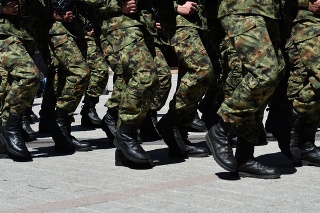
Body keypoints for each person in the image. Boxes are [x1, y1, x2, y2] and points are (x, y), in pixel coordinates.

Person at [205, 0, 290, 179]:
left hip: (269, 10)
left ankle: (245, 155)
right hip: (242, 8)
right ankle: (222, 128)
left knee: (272, 73)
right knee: (264, 72)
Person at [84, 0, 159, 165]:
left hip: (141, 22)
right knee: (145, 75)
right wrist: (117, 5)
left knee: (132, 80)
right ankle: (125, 134)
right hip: (117, 22)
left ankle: (124, 149)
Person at [155, 0, 212, 158]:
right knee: (202, 70)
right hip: (180, 20)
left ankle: (180, 133)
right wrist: (175, 7)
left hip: (199, 21)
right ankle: (171, 121)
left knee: (189, 76)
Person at [34, 2, 92, 152]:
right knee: (80, 72)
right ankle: (60, 121)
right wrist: (50, 11)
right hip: (52, 26)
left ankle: (54, 124)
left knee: (60, 75)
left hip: (73, 26)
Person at [272, 0, 320, 166]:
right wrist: (305, 3)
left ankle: (306, 142)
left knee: (310, 80)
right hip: (305, 23)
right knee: (310, 77)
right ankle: (289, 122)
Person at [0, 0, 40, 160]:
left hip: (23, 30)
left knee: (6, 83)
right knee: (28, 74)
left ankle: (4, 141)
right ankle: (9, 126)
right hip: (3, 31)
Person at [80, 19, 110, 129]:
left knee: (100, 72)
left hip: (100, 34)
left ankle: (88, 109)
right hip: (81, 35)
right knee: (100, 70)